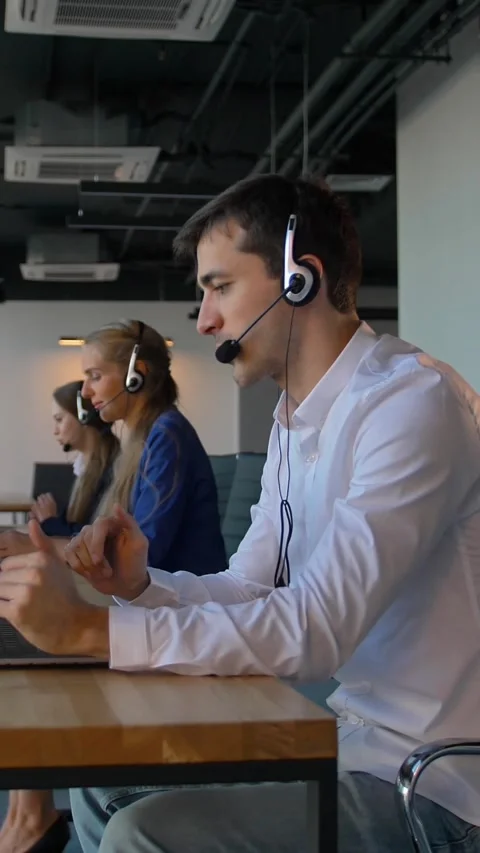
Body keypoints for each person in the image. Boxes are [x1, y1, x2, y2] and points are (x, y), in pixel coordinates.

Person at [1, 173, 480, 853]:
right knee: (103, 785)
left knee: (146, 831)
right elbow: (249, 584)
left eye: (219, 287)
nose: (203, 320)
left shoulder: (412, 405)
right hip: (347, 742)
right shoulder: (293, 425)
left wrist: (91, 632)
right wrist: (140, 588)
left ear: (300, 280)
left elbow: (316, 628)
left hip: (432, 785)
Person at [0, 382, 119, 853]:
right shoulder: (100, 465)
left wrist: (46, 534)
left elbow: (122, 546)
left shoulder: (150, 445)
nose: (55, 426)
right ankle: (24, 810)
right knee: (18, 605)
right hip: (129, 584)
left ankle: (32, 814)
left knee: (26, 619)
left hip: (147, 589)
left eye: (59, 417)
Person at [78, 318, 226, 576]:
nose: (85, 392)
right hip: (161, 602)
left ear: (136, 375)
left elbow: (143, 554)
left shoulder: (167, 435)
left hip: (185, 607)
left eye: (95, 376)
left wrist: (51, 549)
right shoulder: (145, 437)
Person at [0, 380, 119, 562]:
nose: (55, 431)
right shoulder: (87, 470)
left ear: (83, 417)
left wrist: (50, 522)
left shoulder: (111, 473)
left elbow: (95, 540)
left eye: (59, 419)